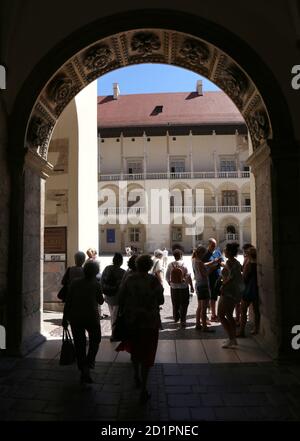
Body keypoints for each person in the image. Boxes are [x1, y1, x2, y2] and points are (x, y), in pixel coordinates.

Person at [116, 254, 164, 403]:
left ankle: (136, 374)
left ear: (137, 265)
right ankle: (144, 387)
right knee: (148, 352)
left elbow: (121, 298)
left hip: (133, 320)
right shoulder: (153, 280)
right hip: (149, 321)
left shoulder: (130, 279)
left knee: (135, 348)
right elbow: (161, 299)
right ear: (150, 266)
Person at [62, 261, 104, 383]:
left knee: (79, 344)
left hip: (76, 317)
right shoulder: (96, 284)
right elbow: (100, 301)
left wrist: (65, 318)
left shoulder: (75, 283)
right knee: (95, 341)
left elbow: (68, 302)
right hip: (92, 317)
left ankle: (83, 369)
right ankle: (89, 363)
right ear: (96, 272)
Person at [218, 242, 244, 348]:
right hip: (234, 292)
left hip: (228, 292)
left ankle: (231, 338)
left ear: (229, 252)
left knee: (221, 315)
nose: (224, 251)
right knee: (229, 314)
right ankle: (233, 338)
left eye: (225, 250)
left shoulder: (230, 262)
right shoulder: (236, 262)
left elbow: (231, 277)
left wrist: (223, 285)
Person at [192, 245, 219, 332]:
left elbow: (203, 265)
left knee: (200, 306)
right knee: (204, 308)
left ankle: (197, 324)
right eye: (204, 253)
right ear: (201, 253)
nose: (205, 255)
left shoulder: (194, 260)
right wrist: (213, 268)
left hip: (198, 285)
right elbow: (205, 274)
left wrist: (212, 262)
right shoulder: (199, 262)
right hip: (203, 285)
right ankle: (204, 327)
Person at [166, 249, 194, 328]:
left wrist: (170, 283)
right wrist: (191, 286)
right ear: (181, 255)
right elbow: (188, 276)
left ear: (174, 256)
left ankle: (176, 318)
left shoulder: (170, 264)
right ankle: (183, 321)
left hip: (174, 287)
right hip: (183, 287)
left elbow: (167, 276)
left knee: (175, 303)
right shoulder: (184, 264)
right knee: (184, 304)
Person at [101, 253, 126, 341]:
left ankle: (114, 333)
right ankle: (114, 334)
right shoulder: (122, 272)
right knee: (115, 316)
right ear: (121, 262)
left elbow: (102, 280)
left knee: (112, 314)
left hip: (108, 295)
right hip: (117, 297)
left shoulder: (107, 268)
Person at [237, 246, 260, 337]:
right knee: (256, 310)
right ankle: (256, 329)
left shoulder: (249, 265)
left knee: (243, 310)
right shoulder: (259, 264)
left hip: (248, 289)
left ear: (249, 255)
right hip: (256, 289)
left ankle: (242, 331)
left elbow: (245, 278)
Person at [203, 238, 224, 322]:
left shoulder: (218, 252)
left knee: (220, 295)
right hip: (210, 278)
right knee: (212, 297)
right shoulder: (205, 254)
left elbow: (222, 262)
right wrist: (213, 264)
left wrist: (220, 263)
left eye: (215, 245)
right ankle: (213, 315)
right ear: (209, 245)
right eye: (212, 245)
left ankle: (219, 313)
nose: (214, 247)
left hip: (219, 277)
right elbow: (203, 265)